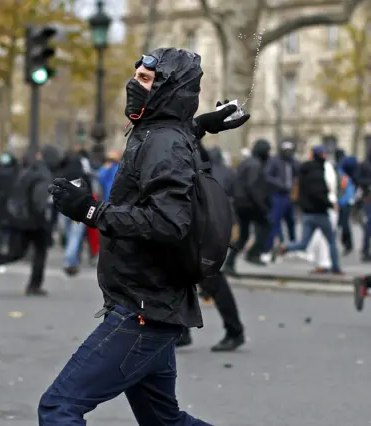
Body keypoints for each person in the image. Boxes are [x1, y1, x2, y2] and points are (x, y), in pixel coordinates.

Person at [43, 48, 249, 425]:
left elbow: (169, 222)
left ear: (167, 91)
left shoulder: (162, 140)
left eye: (145, 80)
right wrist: (200, 124)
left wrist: (90, 211)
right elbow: (170, 142)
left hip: (143, 309)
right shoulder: (160, 133)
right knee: (164, 422)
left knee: (58, 409)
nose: (133, 85)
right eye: (135, 75)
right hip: (154, 305)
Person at [177, 145, 245, 352]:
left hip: (200, 231)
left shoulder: (190, 157)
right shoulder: (202, 163)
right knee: (181, 279)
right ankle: (182, 331)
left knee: (212, 280)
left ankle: (234, 331)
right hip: (199, 228)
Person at [0, 145, 61, 296]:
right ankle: (34, 285)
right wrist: (45, 217)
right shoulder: (45, 175)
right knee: (40, 251)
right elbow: (40, 199)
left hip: (18, 217)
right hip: (35, 219)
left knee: (15, 252)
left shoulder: (27, 171)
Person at [277, 146, 343, 275]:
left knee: (304, 242)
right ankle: (335, 268)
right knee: (331, 241)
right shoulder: (319, 171)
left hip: (307, 213)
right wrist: (330, 204)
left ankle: (286, 247)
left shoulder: (303, 170)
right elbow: (321, 192)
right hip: (321, 213)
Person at [223, 139, 272, 275]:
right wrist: (262, 206)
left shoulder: (246, 163)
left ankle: (229, 263)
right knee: (266, 226)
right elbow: (253, 187)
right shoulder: (256, 165)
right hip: (250, 204)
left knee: (243, 236)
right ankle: (253, 254)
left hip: (240, 203)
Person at [264, 141, 298, 251]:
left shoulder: (293, 162)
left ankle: (293, 244)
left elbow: (298, 174)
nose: (288, 153)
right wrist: (280, 184)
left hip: (289, 195)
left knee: (291, 221)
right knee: (275, 220)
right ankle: (271, 245)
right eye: (286, 151)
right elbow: (267, 176)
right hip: (278, 195)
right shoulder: (275, 161)